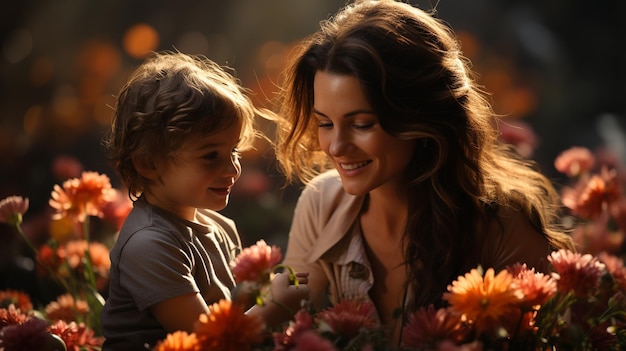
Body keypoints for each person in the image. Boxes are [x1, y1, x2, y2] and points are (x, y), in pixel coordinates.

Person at [272, 0, 574, 346]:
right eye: (325, 123)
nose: (336, 146)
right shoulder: (321, 203)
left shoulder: (499, 223)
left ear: (422, 117)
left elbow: (556, 337)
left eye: (361, 124)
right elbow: (286, 313)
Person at [100, 51, 308, 350]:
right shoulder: (149, 245)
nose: (233, 169)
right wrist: (275, 306)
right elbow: (209, 341)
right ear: (149, 164)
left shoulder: (219, 226)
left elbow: (232, 311)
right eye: (211, 156)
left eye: (233, 152)